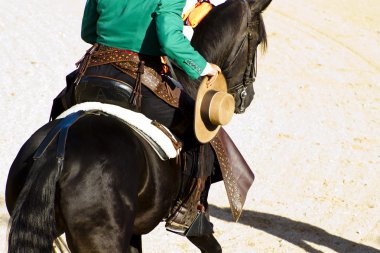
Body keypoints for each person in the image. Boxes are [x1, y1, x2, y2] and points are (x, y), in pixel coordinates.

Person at [73, 0, 222, 237]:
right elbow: (170, 40)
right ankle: (186, 211)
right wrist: (203, 67)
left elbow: (88, 31)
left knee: (61, 113)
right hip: (135, 80)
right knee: (197, 125)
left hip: (90, 75)